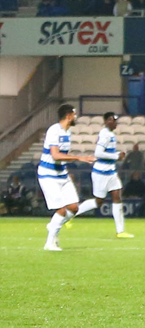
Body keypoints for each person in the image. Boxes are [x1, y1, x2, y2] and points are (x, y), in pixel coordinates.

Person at [40, 104, 97, 251]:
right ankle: (49, 243)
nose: (75, 117)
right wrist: (79, 158)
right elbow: (56, 155)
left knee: (73, 207)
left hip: (61, 174)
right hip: (48, 175)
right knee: (61, 210)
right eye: (74, 114)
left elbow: (62, 157)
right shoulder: (54, 130)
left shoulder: (67, 132)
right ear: (68, 116)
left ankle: (53, 225)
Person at [90, 111, 132, 239]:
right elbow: (98, 153)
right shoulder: (105, 135)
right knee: (98, 202)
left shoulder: (110, 134)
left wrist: (117, 155)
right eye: (111, 120)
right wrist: (116, 156)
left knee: (117, 197)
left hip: (110, 172)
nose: (114, 122)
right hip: (101, 173)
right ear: (106, 121)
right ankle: (73, 212)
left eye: (115, 120)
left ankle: (120, 231)